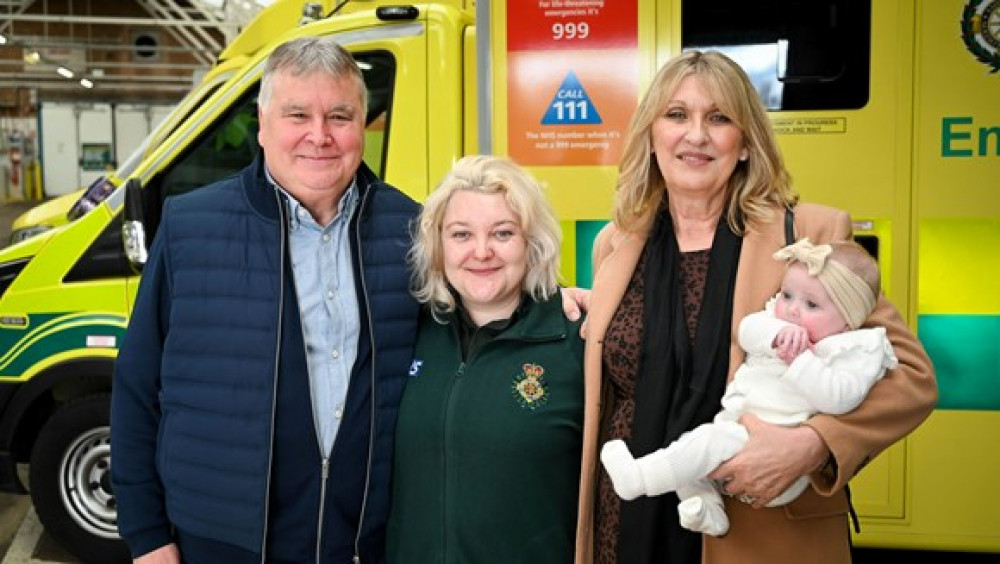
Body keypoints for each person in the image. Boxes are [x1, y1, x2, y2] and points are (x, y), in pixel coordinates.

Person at [573, 50, 936, 564]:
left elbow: (913, 377)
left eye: (718, 118)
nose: (695, 135)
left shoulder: (808, 233)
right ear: (652, 136)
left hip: (759, 527)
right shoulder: (616, 243)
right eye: (677, 115)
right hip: (628, 521)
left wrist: (815, 443)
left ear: (745, 144)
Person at [110, 37, 423, 563]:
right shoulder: (190, 228)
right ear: (262, 124)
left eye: (340, 116)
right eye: (297, 114)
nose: (319, 136)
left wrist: (557, 303)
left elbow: (480, 314)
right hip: (220, 543)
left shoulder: (411, 230)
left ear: (365, 126)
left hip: (365, 543)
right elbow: (138, 385)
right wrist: (147, 537)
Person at [600, 238, 897, 537]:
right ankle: (710, 512)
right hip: (734, 429)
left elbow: (842, 397)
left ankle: (639, 479)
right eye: (787, 295)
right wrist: (777, 334)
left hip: (776, 454)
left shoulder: (853, 348)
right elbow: (747, 330)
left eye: (811, 304)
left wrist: (802, 362)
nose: (792, 309)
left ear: (849, 320)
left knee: (702, 445)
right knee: (689, 460)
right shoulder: (777, 321)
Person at [386, 155, 585, 562]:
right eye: (461, 234)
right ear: (438, 247)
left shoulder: (577, 340)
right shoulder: (406, 333)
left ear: (532, 244)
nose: (482, 252)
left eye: (503, 233)